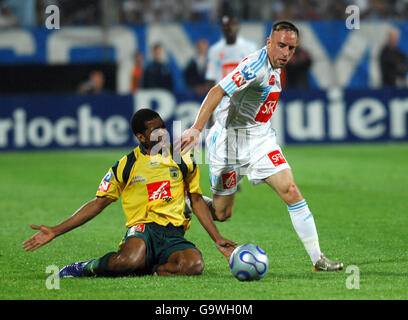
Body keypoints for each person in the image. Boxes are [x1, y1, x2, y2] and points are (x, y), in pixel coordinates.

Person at [177, 21, 343, 272]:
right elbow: (216, 91)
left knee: (291, 189)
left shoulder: (277, 66)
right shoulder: (255, 67)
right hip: (229, 143)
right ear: (268, 43)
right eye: (281, 45)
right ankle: (190, 204)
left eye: (291, 48)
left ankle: (317, 258)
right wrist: (196, 129)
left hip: (260, 140)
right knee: (222, 213)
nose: (286, 53)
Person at [23, 109, 237, 277]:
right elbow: (97, 203)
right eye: (155, 131)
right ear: (141, 137)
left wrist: (217, 238)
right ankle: (87, 267)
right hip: (143, 228)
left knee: (194, 265)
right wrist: (55, 230)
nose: (163, 133)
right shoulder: (126, 165)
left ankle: (148, 267)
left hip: (173, 232)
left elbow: (196, 200)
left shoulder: (182, 158)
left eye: (163, 127)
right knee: (127, 261)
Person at [205, 14, 258, 87]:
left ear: (238, 26)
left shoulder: (250, 47)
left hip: (244, 95)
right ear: (221, 28)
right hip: (223, 95)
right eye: (226, 25)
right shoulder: (214, 50)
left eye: (233, 24)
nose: (229, 28)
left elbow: (256, 75)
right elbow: (211, 77)